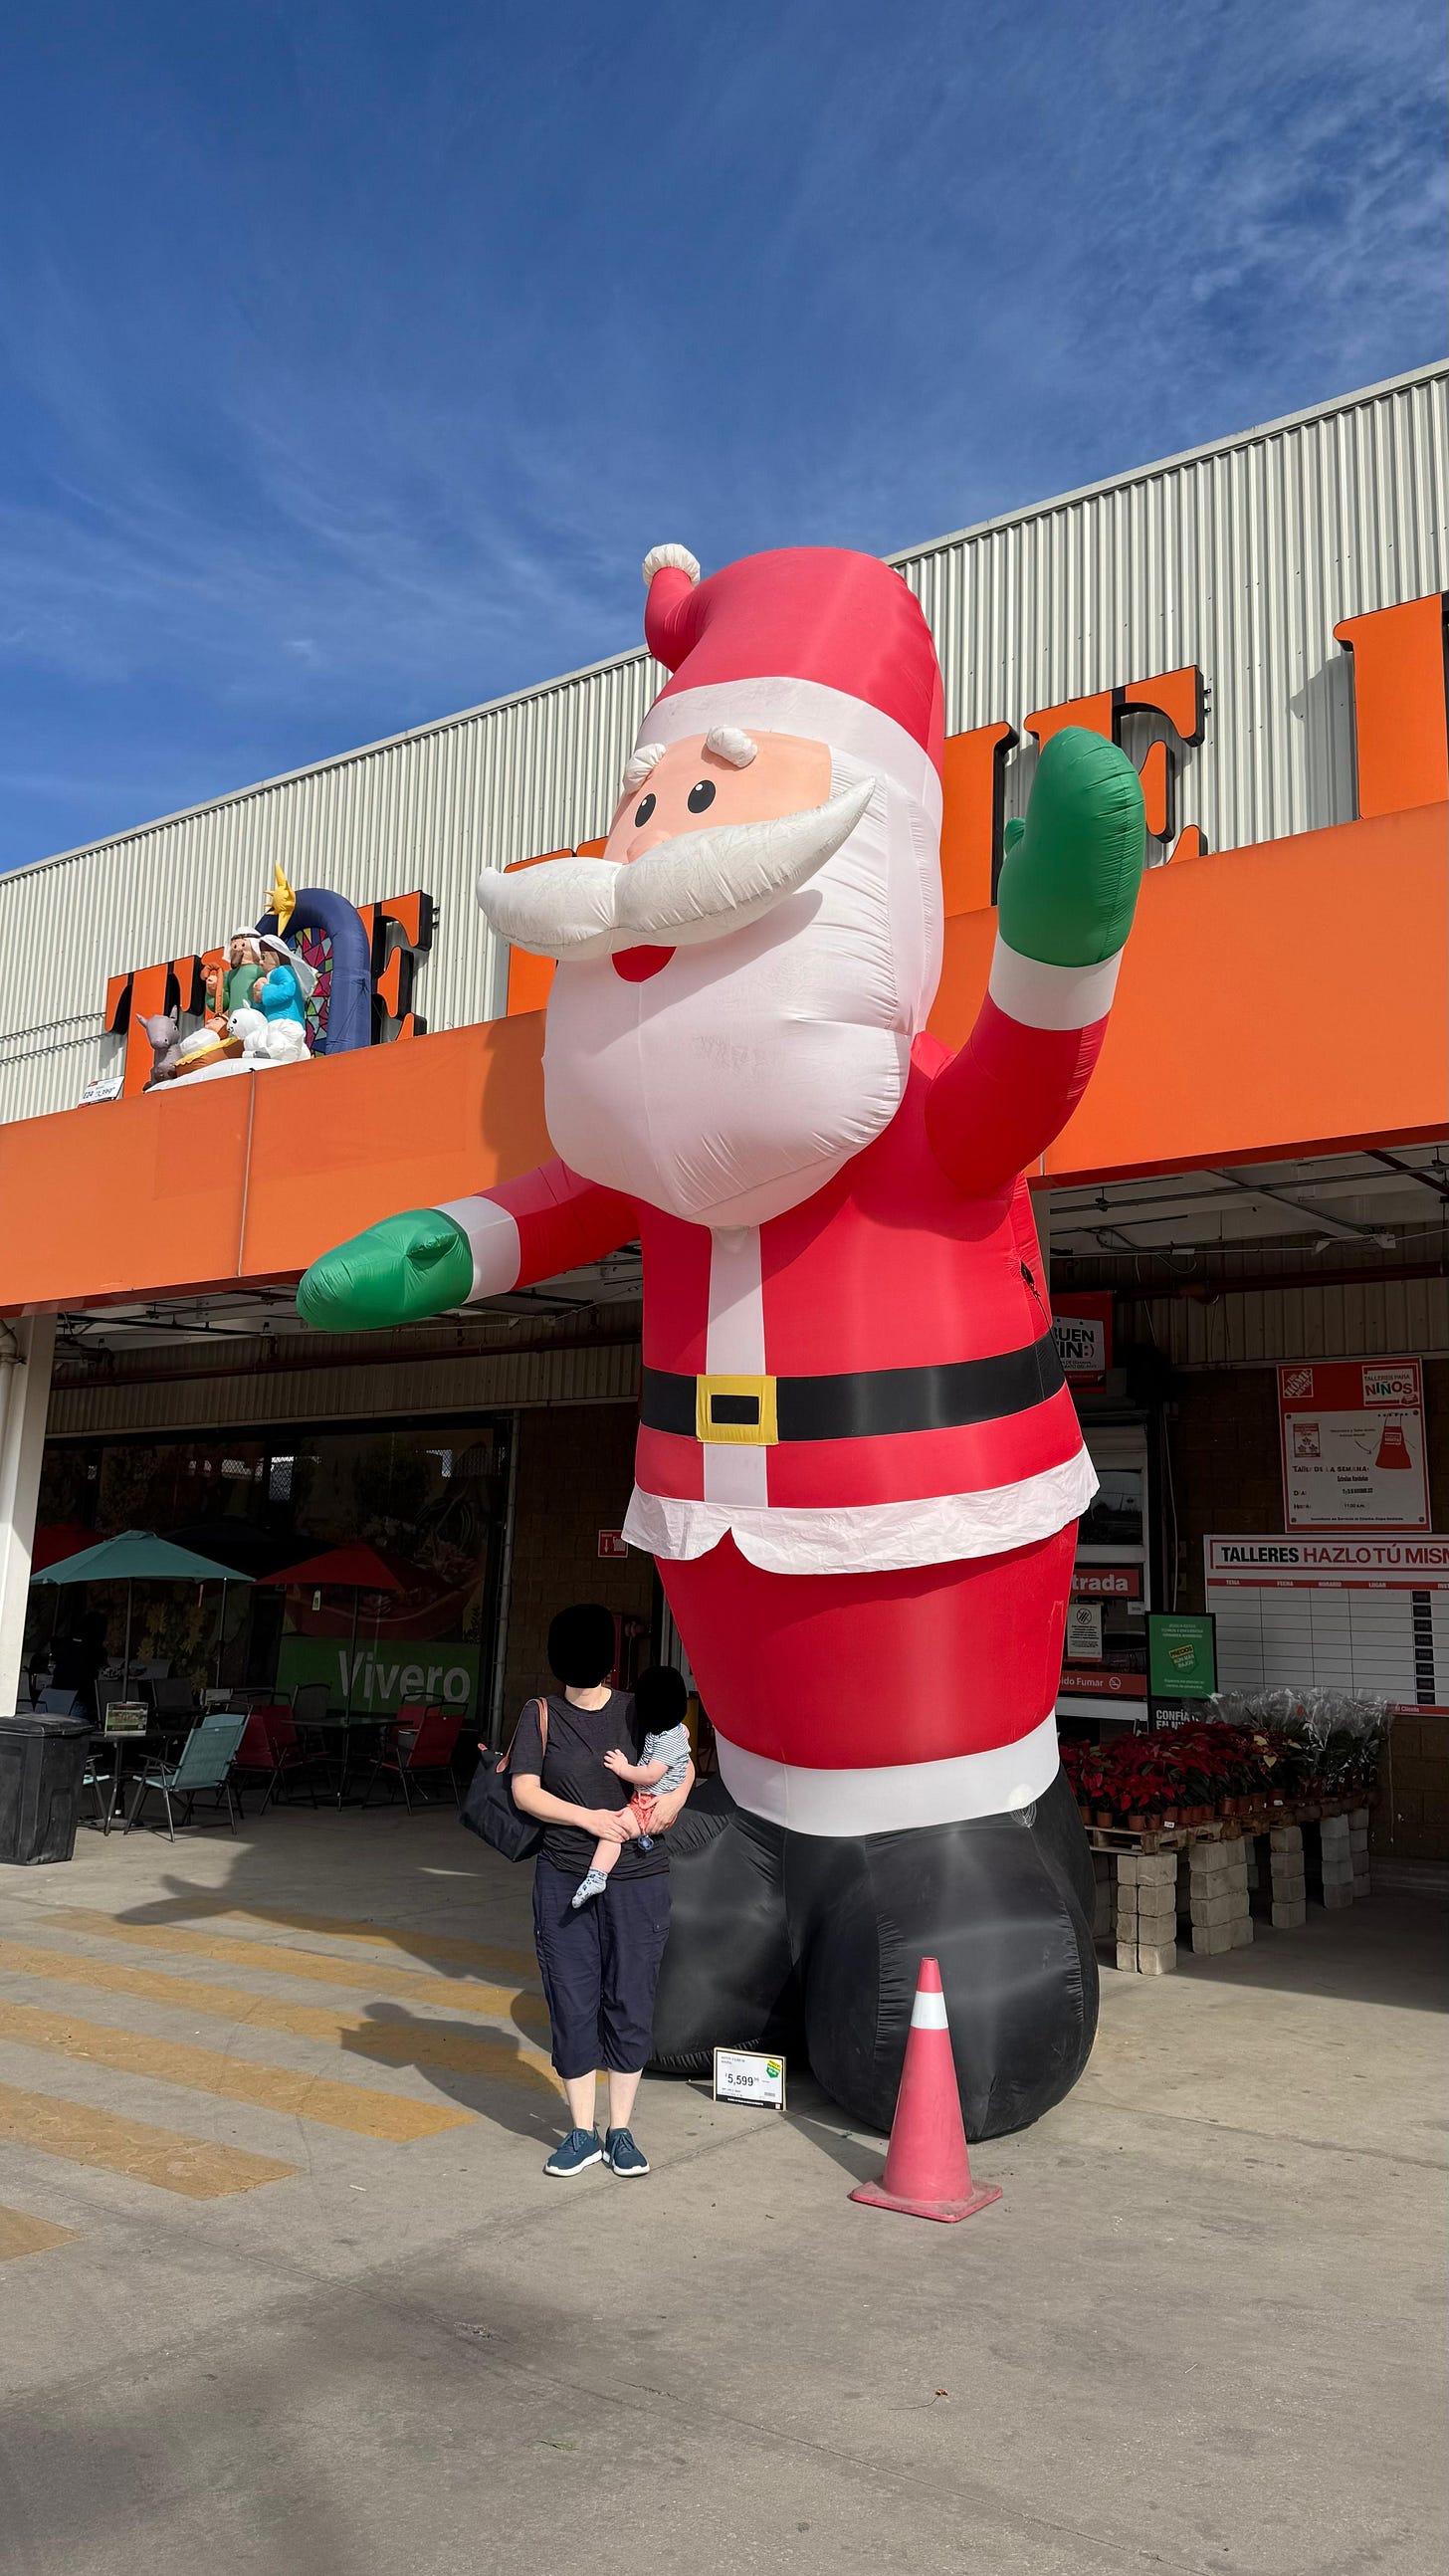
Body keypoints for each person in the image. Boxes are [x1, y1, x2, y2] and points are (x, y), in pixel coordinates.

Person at [506, 1606, 693, 2178]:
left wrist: (672, 1802)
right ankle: (582, 2132)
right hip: (564, 1877)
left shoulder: (637, 1710)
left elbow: (682, 1761)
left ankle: (621, 2130)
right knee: (572, 1997)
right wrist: (588, 1818)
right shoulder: (540, 1714)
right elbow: (524, 1791)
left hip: (638, 1879)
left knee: (630, 1996)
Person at [573, 1663, 692, 1908]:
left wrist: (621, 1768)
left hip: (651, 1804)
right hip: (649, 1801)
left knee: (614, 1830)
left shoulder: (667, 1739)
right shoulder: (675, 1729)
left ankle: (597, 1875)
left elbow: (650, 1775)